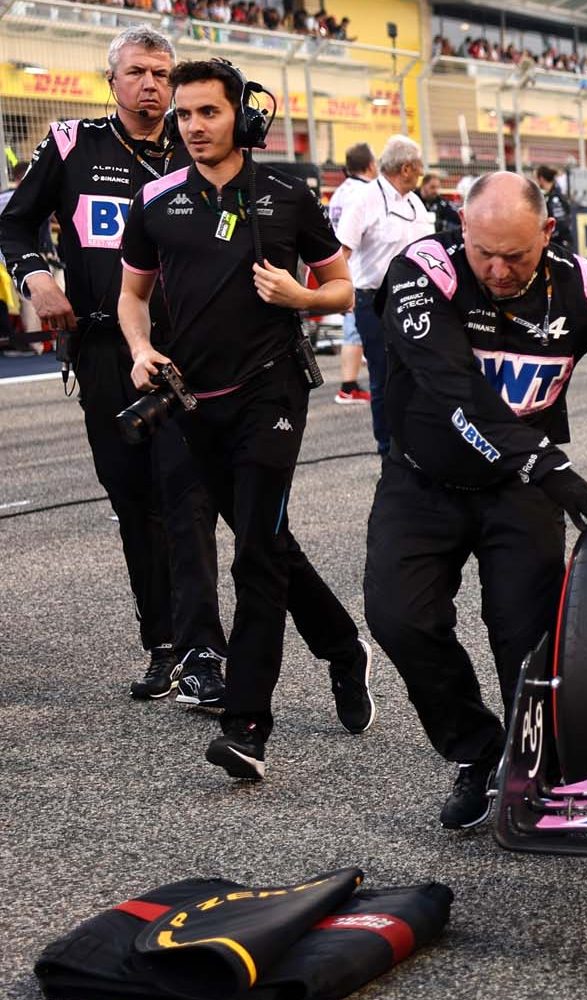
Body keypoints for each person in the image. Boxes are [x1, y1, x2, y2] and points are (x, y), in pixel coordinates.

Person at [368, 172, 587, 828]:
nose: (499, 270)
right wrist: (552, 469)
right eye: (485, 253)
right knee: (399, 619)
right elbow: (455, 393)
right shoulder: (423, 271)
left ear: (547, 235)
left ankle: (529, 759)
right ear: (463, 229)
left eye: (517, 255)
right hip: (424, 479)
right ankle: (474, 749)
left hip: (516, 491)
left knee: (526, 633)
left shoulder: (581, 285)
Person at [118, 58, 372, 781]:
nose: (194, 127)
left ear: (243, 117)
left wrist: (300, 296)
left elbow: (343, 291)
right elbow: (133, 297)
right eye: (185, 115)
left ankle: (246, 725)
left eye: (209, 112)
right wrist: (139, 349)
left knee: (255, 555)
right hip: (191, 403)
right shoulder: (157, 199)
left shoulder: (289, 195)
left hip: (272, 396)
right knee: (273, 540)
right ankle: (343, 648)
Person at [0, 27, 224, 699]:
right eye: (138, 72)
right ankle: (162, 644)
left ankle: (202, 653)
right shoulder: (73, 143)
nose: (152, 84)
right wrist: (36, 278)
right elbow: (11, 223)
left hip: (187, 353)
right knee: (134, 502)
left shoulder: (200, 150)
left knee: (188, 502)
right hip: (102, 352)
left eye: (162, 72)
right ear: (113, 82)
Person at [332, 134, 433, 456]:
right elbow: (340, 252)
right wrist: (338, 293)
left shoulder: (415, 203)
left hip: (412, 300)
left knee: (416, 374)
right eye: (419, 167)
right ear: (406, 168)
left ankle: (414, 440)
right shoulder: (364, 200)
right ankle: (388, 445)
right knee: (383, 374)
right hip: (372, 300)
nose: (421, 172)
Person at [327, 143, 375, 404]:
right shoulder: (367, 192)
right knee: (354, 331)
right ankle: (348, 387)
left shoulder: (340, 192)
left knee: (352, 330)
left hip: (341, 266)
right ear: (370, 165)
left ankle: (350, 384)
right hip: (360, 267)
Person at [534, 164, 571, 248]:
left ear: (541, 179)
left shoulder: (555, 198)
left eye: (536, 179)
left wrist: (548, 235)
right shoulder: (548, 196)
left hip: (560, 244)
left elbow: (561, 222)